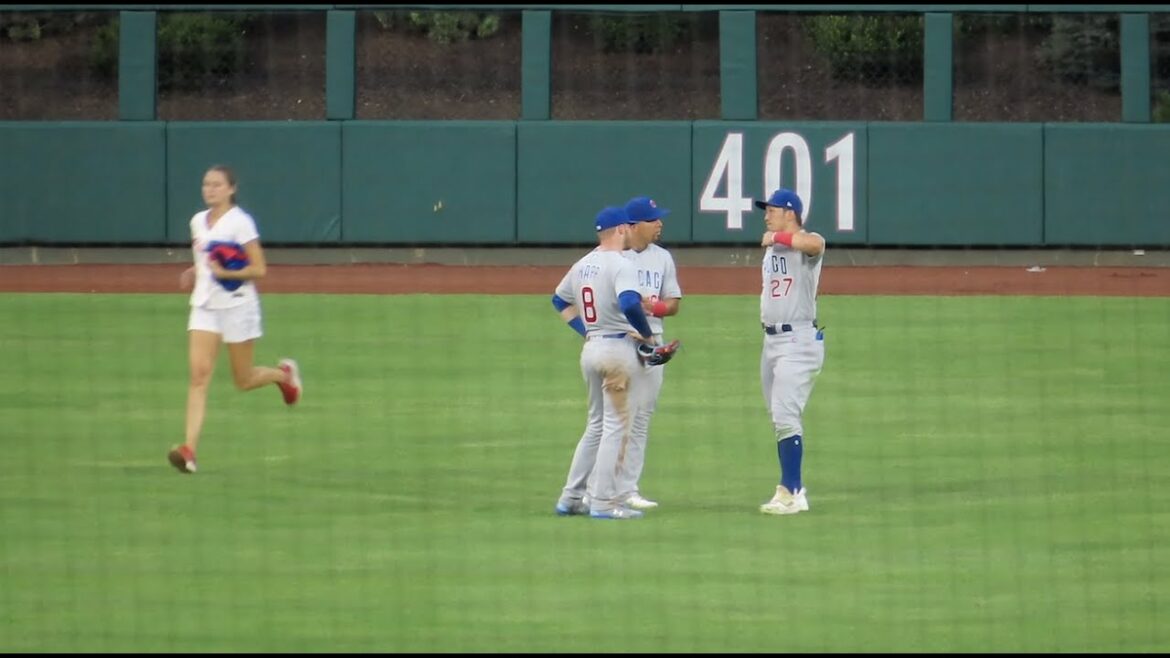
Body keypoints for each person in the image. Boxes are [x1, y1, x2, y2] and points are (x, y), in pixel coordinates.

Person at [168, 165, 303, 474]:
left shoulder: (241, 223)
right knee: (199, 376)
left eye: (217, 184)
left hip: (237, 306)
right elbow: (206, 261)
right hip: (204, 306)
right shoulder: (197, 222)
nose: (210, 189)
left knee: (242, 380)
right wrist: (194, 271)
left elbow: (259, 269)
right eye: (206, 184)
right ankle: (189, 451)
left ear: (231, 188)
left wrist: (228, 273)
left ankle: (284, 375)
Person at [552, 206, 657, 520]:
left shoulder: (583, 263)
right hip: (616, 354)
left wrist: (585, 331)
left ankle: (570, 498)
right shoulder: (621, 264)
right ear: (622, 230)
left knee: (596, 425)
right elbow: (628, 302)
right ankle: (602, 503)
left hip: (592, 349)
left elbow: (559, 300)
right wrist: (647, 334)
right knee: (615, 427)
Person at [755, 188, 826, 515]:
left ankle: (791, 491)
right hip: (771, 343)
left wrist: (778, 237)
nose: (766, 214)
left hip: (798, 341)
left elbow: (815, 244)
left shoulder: (806, 243)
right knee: (779, 417)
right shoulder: (772, 247)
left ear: (790, 213)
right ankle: (791, 488)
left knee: (785, 414)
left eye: (771, 209)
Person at [612, 195, 683, 511]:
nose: (660, 224)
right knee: (616, 420)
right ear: (634, 226)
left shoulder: (663, 258)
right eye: (653, 219)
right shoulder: (613, 257)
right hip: (619, 343)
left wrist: (651, 306)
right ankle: (599, 488)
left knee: (641, 419)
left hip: (653, 343)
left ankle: (628, 489)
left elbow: (674, 305)